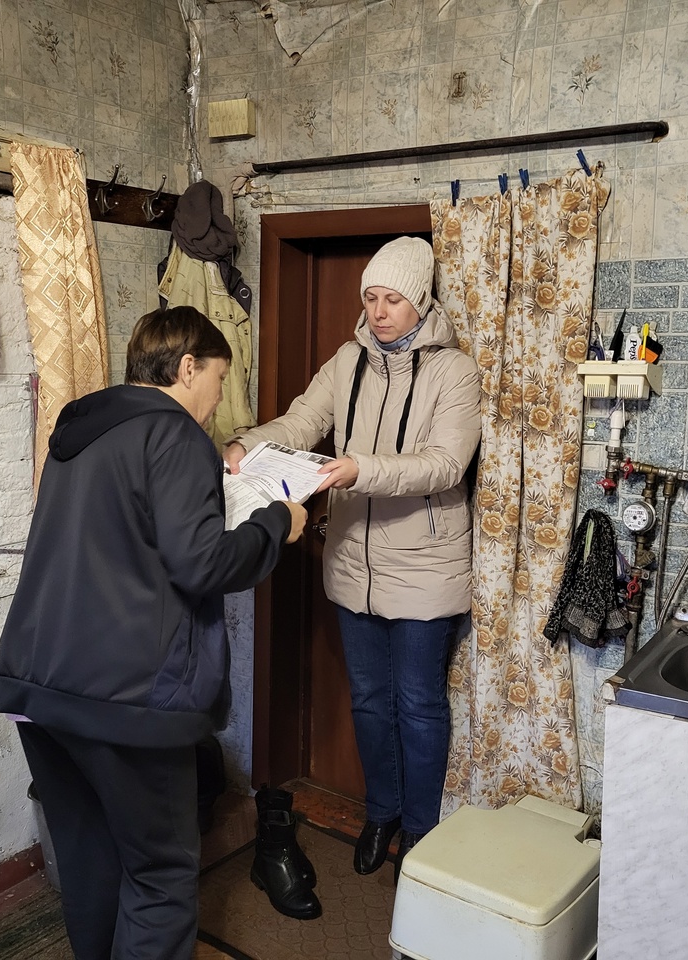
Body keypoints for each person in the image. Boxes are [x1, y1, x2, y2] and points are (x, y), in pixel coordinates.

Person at [0, 305, 308, 960]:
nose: (217, 400)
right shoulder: (175, 435)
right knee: (160, 874)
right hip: (127, 696)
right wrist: (276, 523)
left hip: (39, 683)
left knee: (90, 858)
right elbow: (204, 564)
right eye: (218, 380)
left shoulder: (79, 430)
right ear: (188, 367)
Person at [225, 236, 480, 881]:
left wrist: (358, 469)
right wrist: (248, 444)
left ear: (421, 303)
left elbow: (445, 466)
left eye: (393, 299)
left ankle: (420, 832)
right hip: (350, 563)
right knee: (368, 699)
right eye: (371, 298)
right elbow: (302, 421)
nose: (379, 311)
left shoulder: (454, 372)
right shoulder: (347, 361)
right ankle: (381, 813)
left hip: (424, 566)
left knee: (418, 703)